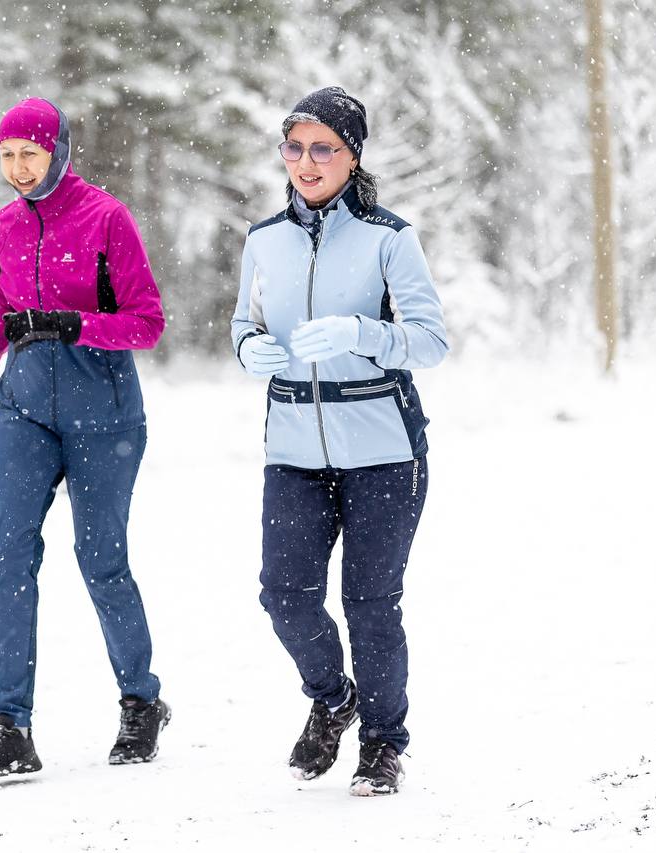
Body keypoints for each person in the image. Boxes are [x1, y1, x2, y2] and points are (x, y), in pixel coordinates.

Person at [230, 87, 448, 796]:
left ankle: (384, 741)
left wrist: (365, 335)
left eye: (324, 147)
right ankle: (332, 697)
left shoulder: (390, 236)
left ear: (353, 156)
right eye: (295, 146)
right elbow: (244, 324)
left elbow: (432, 341)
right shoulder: (264, 239)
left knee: (370, 602)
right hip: (293, 446)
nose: (306, 160)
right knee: (283, 594)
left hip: (383, 446)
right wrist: (247, 350)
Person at [0, 98, 170, 777]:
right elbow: (8, 312)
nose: (17, 169)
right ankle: (9, 724)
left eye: (29, 155)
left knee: (101, 559)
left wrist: (74, 324)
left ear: (59, 150)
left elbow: (148, 321)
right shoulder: (3, 226)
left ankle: (141, 699)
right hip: (25, 412)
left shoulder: (106, 217)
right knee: (8, 552)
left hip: (103, 414)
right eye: (7, 156)